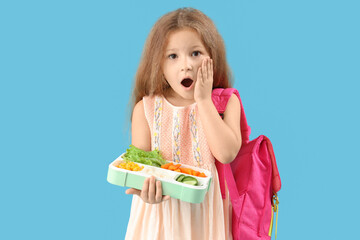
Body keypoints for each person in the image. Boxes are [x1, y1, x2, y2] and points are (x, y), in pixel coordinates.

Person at [125, 7, 242, 240]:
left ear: (212, 57)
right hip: (159, 217)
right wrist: (145, 191)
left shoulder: (225, 103)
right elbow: (139, 170)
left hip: (206, 218)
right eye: (173, 56)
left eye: (196, 53)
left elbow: (227, 153)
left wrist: (203, 101)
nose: (186, 65)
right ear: (159, 64)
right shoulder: (145, 110)